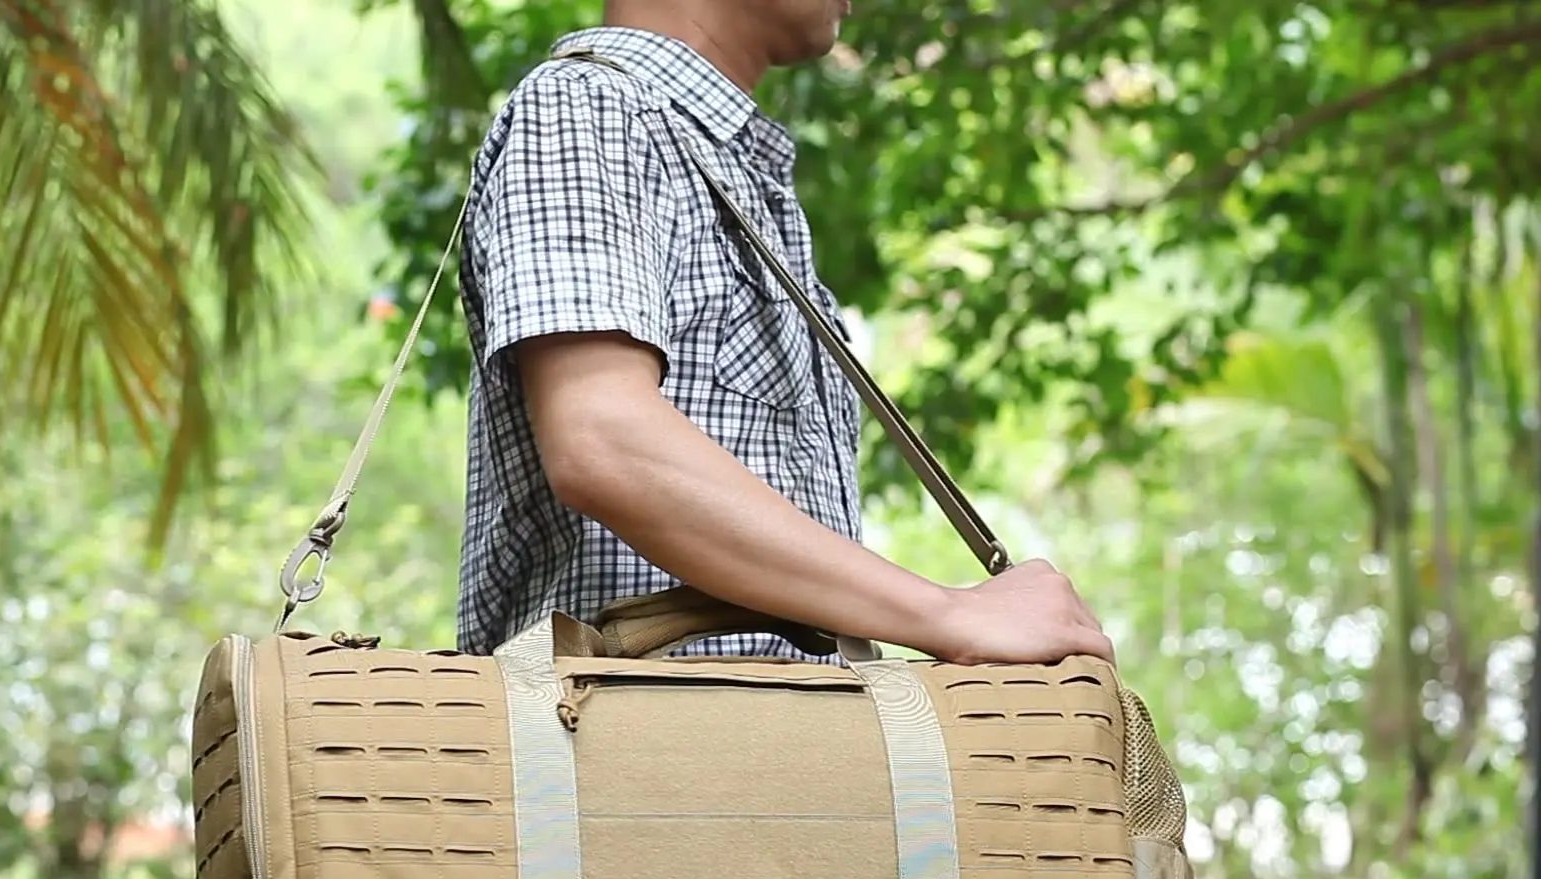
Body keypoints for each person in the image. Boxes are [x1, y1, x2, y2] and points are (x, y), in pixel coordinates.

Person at [453, 0, 1114, 666]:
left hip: (766, 753)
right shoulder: (588, 106)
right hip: (630, 755)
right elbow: (603, 439)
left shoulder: (730, 175)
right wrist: (953, 614)